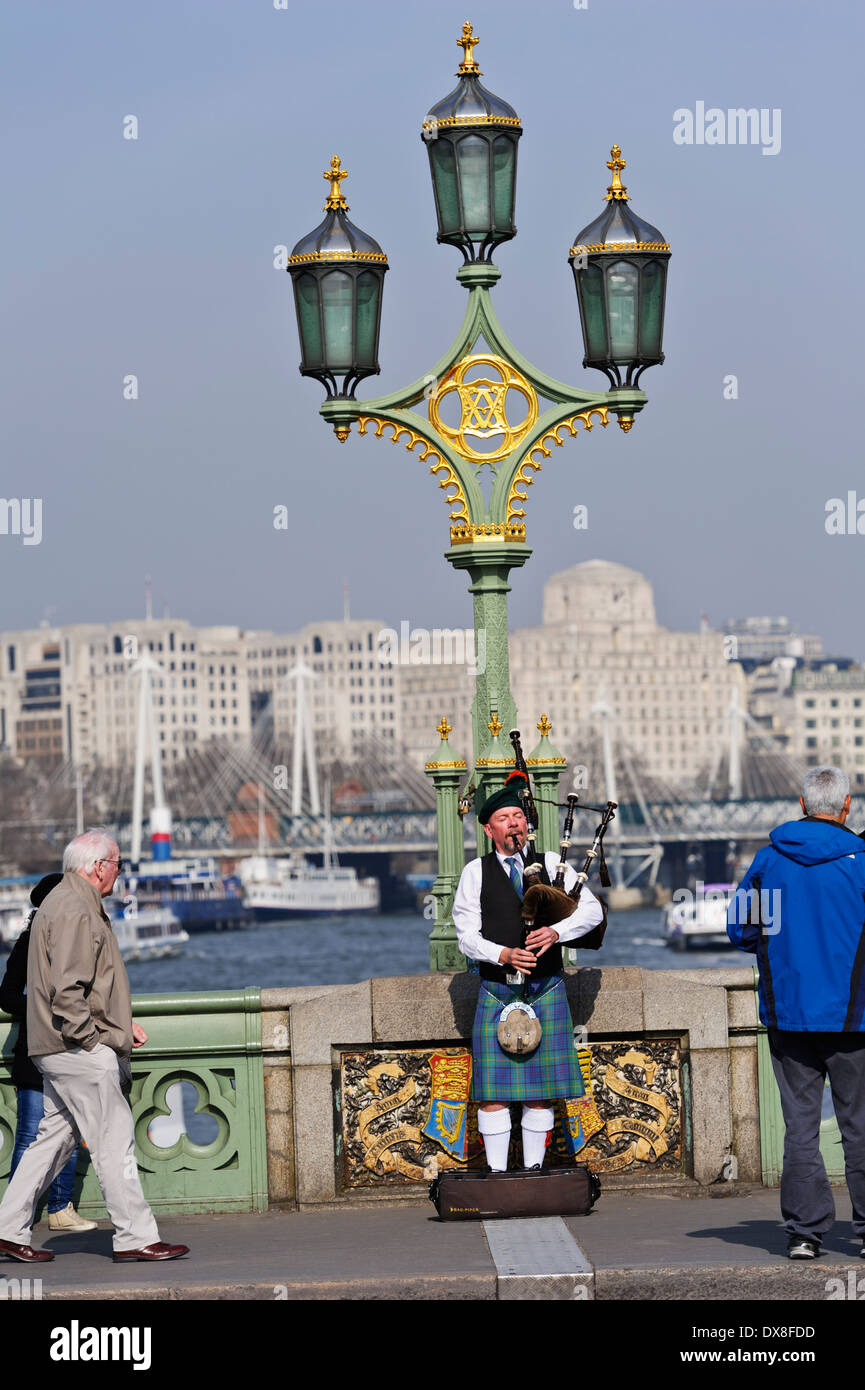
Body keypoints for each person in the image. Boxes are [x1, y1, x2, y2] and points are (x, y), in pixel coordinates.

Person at [0, 829, 188, 1265]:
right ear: (98, 866)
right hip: (75, 1048)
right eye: (118, 864)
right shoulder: (76, 908)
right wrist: (94, 1042)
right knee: (114, 1139)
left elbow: (78, 986)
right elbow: (68, 991)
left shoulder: (63, 903)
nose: (120, 873)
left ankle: (8, 1229)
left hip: (55, 1044)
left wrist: (119, 1025)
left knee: (52, 1141)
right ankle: (135, 1236)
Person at [727, 765, 865, 1260]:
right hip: (854, 1019)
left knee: (801, 1128)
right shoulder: (860, 862)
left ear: (802, 805)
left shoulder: (769, 862)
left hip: (788, 1016)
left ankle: (805, 1234)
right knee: (860, 1125)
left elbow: (741, 932)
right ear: (847, 807)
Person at [452, 774, 604, 1172]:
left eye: (518, 815)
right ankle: (500, 1176)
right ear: (489, 829)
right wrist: (502, 953)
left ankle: (535, 1174)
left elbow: (593, 912)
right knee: (494, 1096)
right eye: (504, 817)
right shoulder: (475, 873)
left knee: (541, 1093)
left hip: (546, 988)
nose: (514, 823)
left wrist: (557, 931)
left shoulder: (552, 863)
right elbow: (466, 937)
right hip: (498, 990)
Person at [0, 872, 96, 1234]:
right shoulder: (28, 944)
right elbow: (7, 996)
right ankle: (15, 1215)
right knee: (30, 1132)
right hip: (35, 1049)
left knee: (68, 1129)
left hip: (69, 1045)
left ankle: (60, 1207)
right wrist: (45, 1007)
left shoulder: (74, 939)